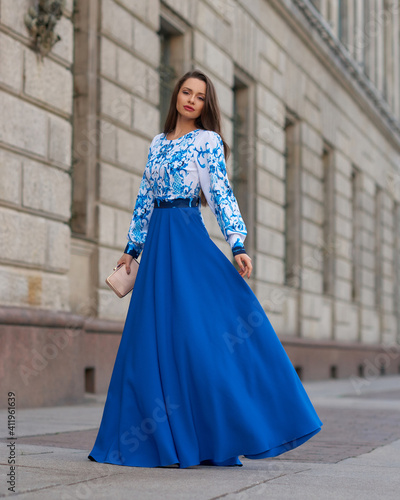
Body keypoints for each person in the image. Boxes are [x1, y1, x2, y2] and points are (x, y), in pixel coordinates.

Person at [88, 69, 323, 469]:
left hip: (186, 238)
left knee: (200, 333)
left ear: (205, 104)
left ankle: (238, 421)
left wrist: (238, 243)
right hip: (158, 243)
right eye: (186, 92)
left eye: (199, 96)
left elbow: (219, 191)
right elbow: (145, 196)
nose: (192, 100)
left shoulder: (207, 141)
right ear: (177, 97)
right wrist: (132, 249)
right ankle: (148, 438)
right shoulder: (157, 143)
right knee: (150, 337)